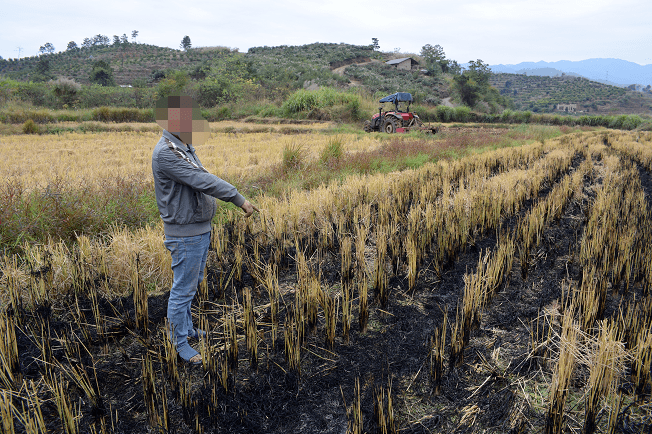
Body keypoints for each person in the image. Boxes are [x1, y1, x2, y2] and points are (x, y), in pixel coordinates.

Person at [152, 94, 258, 365]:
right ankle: (178, 343)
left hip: (198, 228)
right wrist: (237, 198)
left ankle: (186, 329)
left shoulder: (183, 145)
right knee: (183, 289)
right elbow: (201, 179)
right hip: (184, 232)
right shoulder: (166, 152)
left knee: (192, 283)